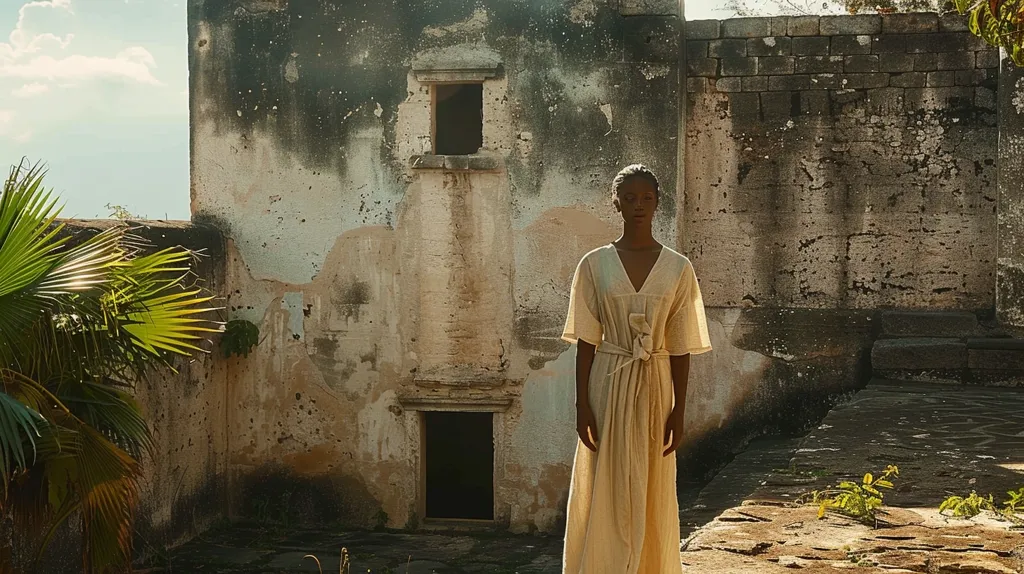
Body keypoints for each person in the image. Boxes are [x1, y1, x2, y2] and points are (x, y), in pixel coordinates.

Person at [560, 164, 713, 574]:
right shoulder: (593, 265)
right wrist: (581, 405)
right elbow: (587, 340)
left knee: (652, 479)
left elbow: (680, 344)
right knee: (605, 479)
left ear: (658, 202)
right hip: (608, 383)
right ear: (616, 203)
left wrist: (679, 410)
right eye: (629, 198)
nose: (638, 205)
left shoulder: (678, 268)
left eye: (646, 198)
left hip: (656, 384)